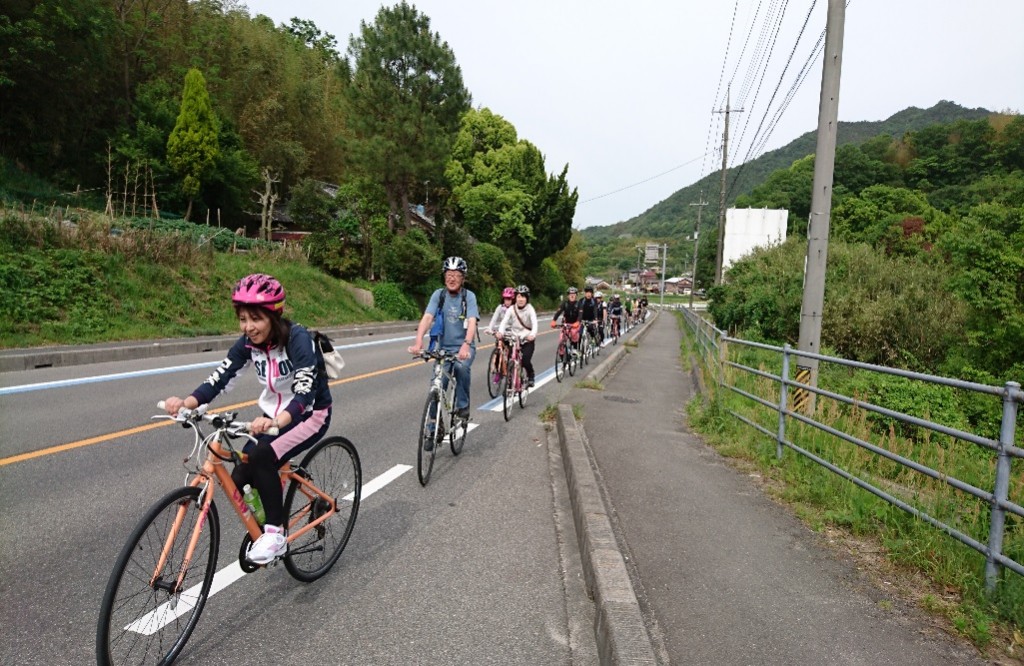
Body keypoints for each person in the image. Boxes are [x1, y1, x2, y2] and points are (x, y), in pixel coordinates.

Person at [162, 274, 333, 565]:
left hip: (309, 414)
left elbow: (304, 392)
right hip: (273, 416)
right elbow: (219, 378)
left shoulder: (297, 339)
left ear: (272, 316)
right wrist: (185, 403)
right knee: (240, 475)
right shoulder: (248, 344)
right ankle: (273, 513)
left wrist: (278, 420)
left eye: (255, 319)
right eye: (242, 319)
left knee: (264, 457)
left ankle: (275, 534)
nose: (248, 327)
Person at [408, 256, 480, 425]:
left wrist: (466, 345)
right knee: (436, 385)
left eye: (456, 274)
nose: (452, 278)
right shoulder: (438, 295)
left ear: (463, 278)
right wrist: (419, 341)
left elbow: (471, 322)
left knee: (461, 368)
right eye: (448, 274)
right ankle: (433, 424)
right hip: (443, 349)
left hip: (463, 347)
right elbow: (427, 317)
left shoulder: (468, 297)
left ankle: (463, 406)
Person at [497, 284, 539, 387]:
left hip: (527, 339)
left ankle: (531, 374)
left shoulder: (530, 309)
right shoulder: (511, 309)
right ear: (515, 297)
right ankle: (510, 383)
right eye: (519, 296)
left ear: (527, 298)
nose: (520, 299)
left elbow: (535, 323)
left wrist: (532, 335)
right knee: (510, 359)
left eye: (523, 296)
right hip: (514, 339)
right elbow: (504, 322)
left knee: (525, 360)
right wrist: (500, 332)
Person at [550, 286, 583, 356]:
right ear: (568, 295)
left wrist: (577, 322)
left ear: (576, 295)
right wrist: (554, 320)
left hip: (575, 324)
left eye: (574, 294)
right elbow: (558, 312)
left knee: (574, 333)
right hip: (566, 323)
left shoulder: (579, 304)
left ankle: (574, 348)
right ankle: (562, 357)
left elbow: (580, 314)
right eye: (570, 294)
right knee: (561, 338)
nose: (572, 295)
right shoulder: (564, 303)